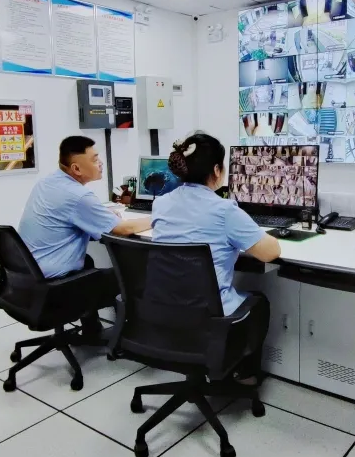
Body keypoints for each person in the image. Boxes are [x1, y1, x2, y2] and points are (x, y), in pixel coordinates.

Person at [151, 133, 281, 386]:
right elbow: (270, 252)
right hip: (207, 318)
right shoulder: (224, 210)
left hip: (163, 311)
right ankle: (244, 375)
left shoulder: (162, 203)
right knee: (259, 302)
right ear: (217, 170)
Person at [18, 136, 151, 338]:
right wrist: (160, 217)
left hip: (29, 276)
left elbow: (70, 215)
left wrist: (101, 216)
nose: (100, 163)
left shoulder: (47, 183)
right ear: (76, 169)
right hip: (54, 283)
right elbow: (123, 229)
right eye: (95, 159)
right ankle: (129, 338)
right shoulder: (78, 196)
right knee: (127, 276)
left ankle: (92, 329)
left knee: (88, 261)